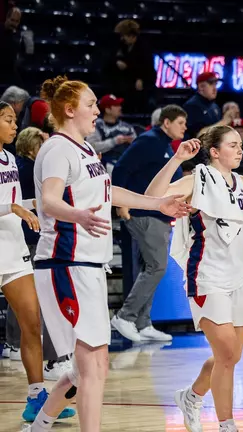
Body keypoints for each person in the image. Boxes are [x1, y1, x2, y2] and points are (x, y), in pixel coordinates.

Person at [26, 76, 190, 432]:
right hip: (65, 263)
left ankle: (37, 427)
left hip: (88, 265)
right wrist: (77, 214)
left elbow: (109, 192)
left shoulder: (85, 150)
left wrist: (157, 203)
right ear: (70, 110)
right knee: (94, 364)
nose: (98, 111)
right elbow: (49, 200)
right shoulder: (57, 149)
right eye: (91, 105)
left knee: (83, 366)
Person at [142, 126, 243, 432]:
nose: (240, 150)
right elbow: (151, 197)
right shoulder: (198, 178)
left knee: (230, 356)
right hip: (207, 276)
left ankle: (191, 397)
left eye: (241, 145)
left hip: (239, 278)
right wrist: (176, 160)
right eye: (232, 145)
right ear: (214, 151)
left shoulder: (242, 182)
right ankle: (227, 425)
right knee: (227, 354)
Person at [0, 101, 77, 424]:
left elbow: (16, 201)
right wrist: (14, 209)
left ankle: (35, 396)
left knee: (32, 324)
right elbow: (10, 205)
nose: (14, 124)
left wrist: (43, 204)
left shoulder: (10, 159)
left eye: (14, 119)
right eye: (6, 119)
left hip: (12, 248)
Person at [111, 105, 188, 343]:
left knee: (151, 268)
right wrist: (120, 204)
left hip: (159, 214)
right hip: (145, 213)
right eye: (180, 123)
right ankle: (124, 316)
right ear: (166, 122)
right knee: (157, 267)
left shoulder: (163, 144)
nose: (184, 127)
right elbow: (122, 168)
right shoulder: (149, 141)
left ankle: (143, 323)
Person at [86, 94, 137, 174]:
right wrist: (114, 141)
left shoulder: (127, 127)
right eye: (116, 105)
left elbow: (137, 148)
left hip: (126, 165)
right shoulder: (96, 125)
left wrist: (133, 142)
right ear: (107, 110)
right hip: (104, 166)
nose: (120, 107)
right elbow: (92, 147)